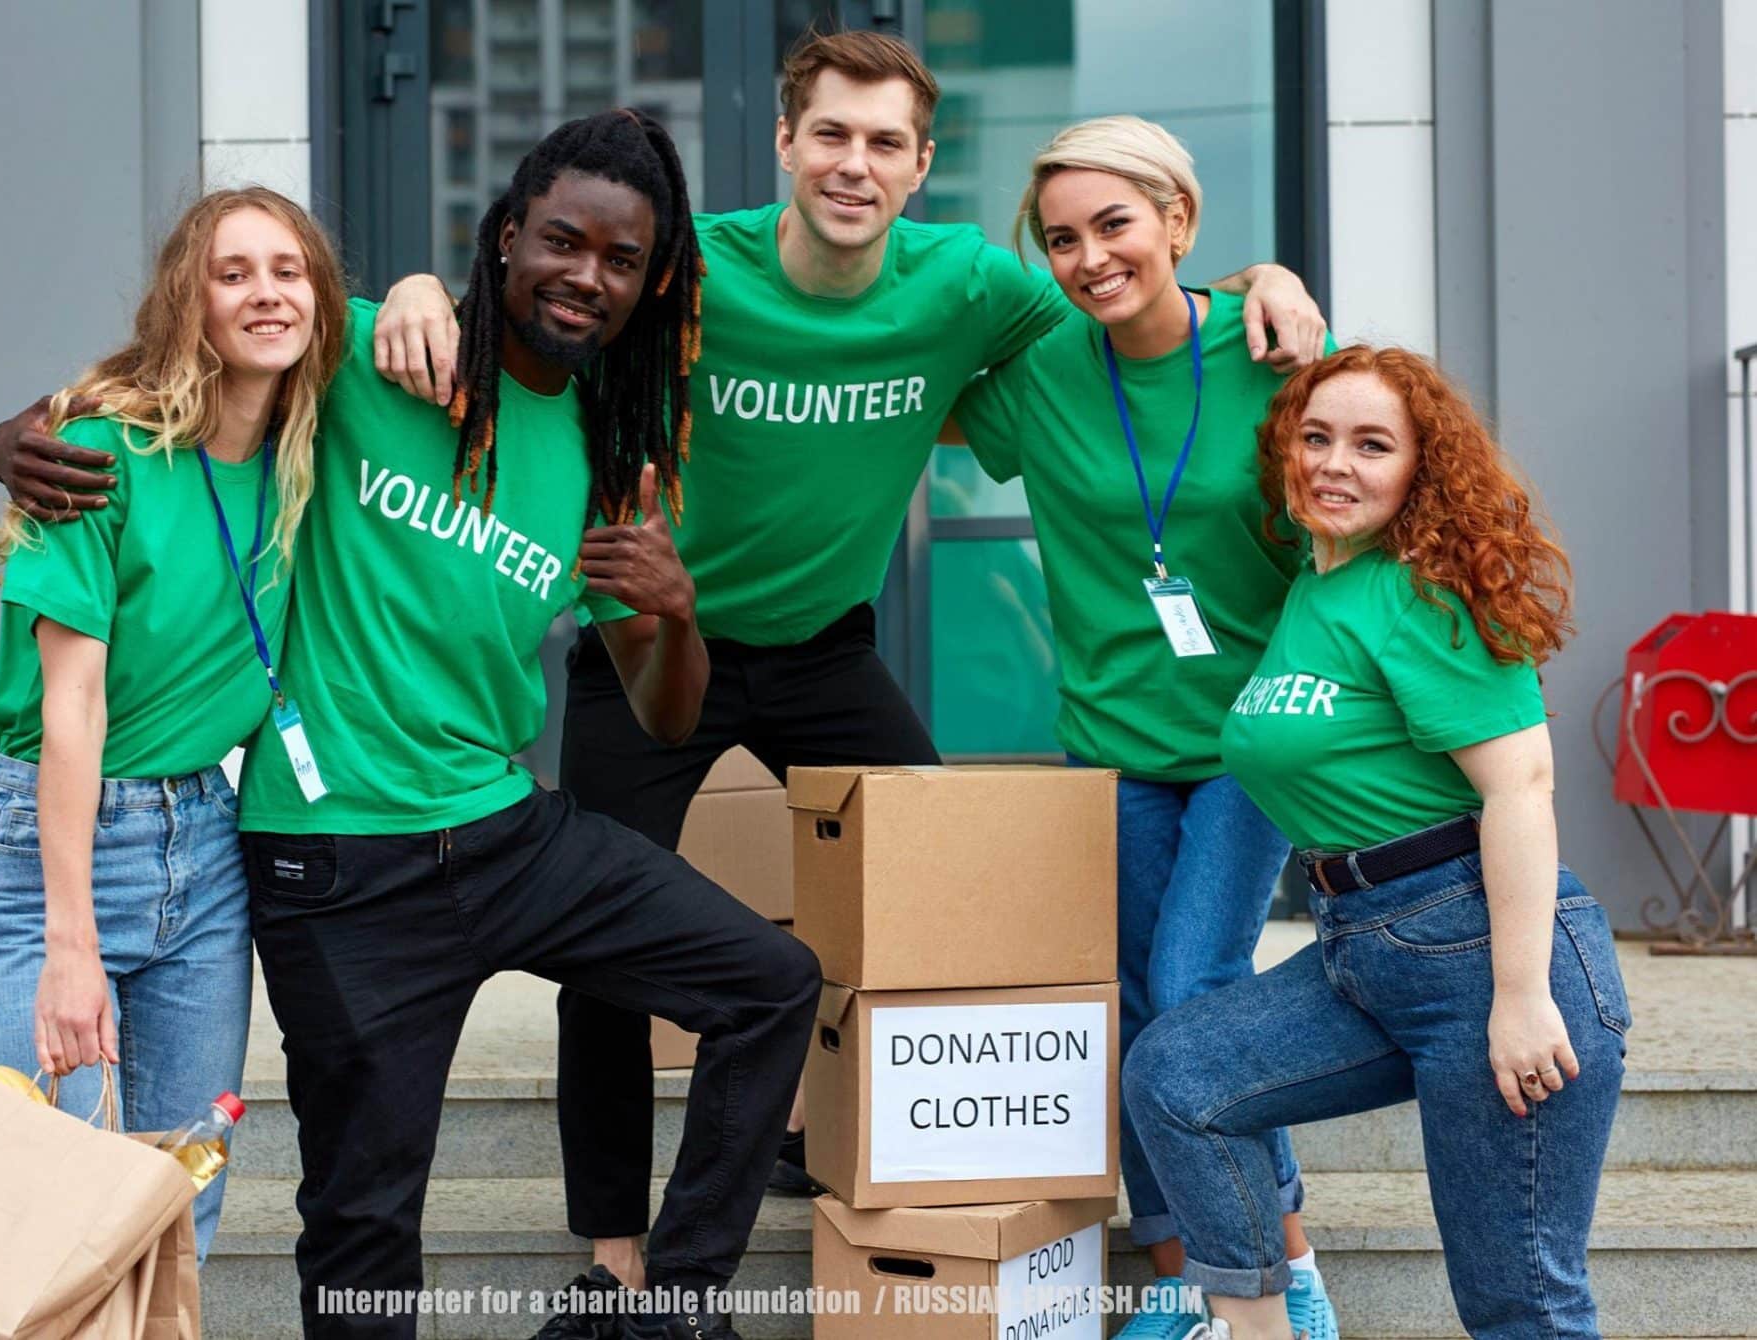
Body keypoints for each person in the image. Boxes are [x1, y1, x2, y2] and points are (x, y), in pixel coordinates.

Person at [357, 35, 1330, 1332]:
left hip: (824, 652)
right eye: (830, 135)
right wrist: (425, 286)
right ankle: (620, 1255)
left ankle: (879, 1154)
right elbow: (549, 303)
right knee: (599, 958)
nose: (853, 164)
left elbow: (1137, 311)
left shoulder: (974, 287)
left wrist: (1262, 282)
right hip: (649, 649)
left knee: (950, 902)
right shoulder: (692, 272)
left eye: (883, 143)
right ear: (783, 143)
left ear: (922, 165)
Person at [0, 111, 818, 1340]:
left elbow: (665, 712)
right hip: (334, 862)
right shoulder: (371, 347)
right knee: (366, 1216)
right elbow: (183, 371)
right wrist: (18, 431)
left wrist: (678, 614)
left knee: (770, 984)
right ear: (506, 241)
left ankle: (674, 1309)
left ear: (652, 286)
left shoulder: (607, 448)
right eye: (561, 240)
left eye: (622, 259)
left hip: (504, 832)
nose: (587, 274)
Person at [1122, 346, 1628, 1340]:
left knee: (1519, 1303)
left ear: (1418, 468)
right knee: (1177, 1074)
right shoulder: (1314, 589)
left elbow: (1522, 785)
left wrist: (1520, 998)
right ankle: (1262, 1323)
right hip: (1364, 946)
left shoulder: (1426, 591)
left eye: (1371, 444)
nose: (1335, 463)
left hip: (1485, 949)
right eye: (1316, 437)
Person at [944, 116, 1337, 1340]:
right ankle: (1177, 1265)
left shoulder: (1274, 348)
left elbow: (1361, 494)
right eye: (1060, 238)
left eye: (1114, 223)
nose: (1088, 257)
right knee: (1132, 998)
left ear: (1179, 220)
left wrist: (1271, 280)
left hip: (1249, 737)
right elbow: (904, 405)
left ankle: (1283, 1261)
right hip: (1110, 740)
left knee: (1195, 986)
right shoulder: (1042, 371)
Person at [0, 185, 346, 1262]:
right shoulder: (97, 448)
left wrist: (416, 290)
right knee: (52, 1207)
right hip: (55, 852)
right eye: (234, 273)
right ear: (191, 303)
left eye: (288, 269)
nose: (266, 292)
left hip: (205, 846)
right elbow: (72, 702)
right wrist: (70, 943)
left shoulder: (315, 446)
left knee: (178, 1200)